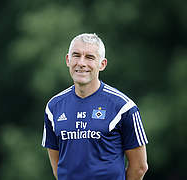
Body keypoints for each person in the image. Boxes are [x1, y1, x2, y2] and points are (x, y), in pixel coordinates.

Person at [41, 33, 148, 180]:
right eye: (76, 55)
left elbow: (140, 168)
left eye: (90, 57)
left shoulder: (123, 107)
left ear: (102, 64)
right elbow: (58, 168)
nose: (81, 63)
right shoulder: (53, 107)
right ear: (68, 60)